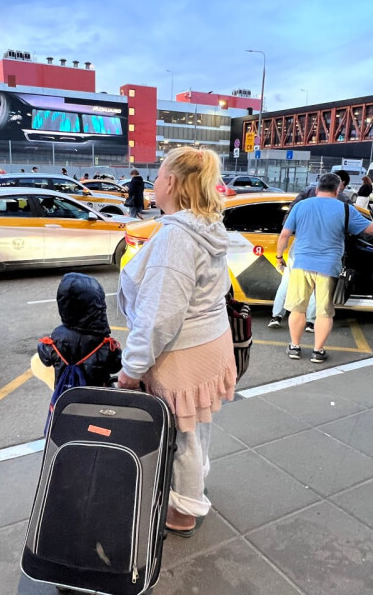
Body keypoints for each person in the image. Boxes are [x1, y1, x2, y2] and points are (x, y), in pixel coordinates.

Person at [117, 147, 236, 538]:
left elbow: (159, 315)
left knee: (179, 434)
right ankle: (196, 483)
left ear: (170, 181)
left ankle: (184, 509)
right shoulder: (206, 224)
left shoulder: (176, 237)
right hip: (209, 342)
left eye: (158, 175)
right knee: (196, 423)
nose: (154, 182)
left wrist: (132, 369)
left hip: (181, 353)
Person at [275, 173, 373, 363]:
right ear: (337, 190)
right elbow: (371, 229)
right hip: (329, 267)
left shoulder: (301, 205)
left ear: (317, 189)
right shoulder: (345, 209)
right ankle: (318, 352)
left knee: (297, 309)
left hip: (302, 264)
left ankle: (294, 347)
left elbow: (285, 234)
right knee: (324, 311)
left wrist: (279, 258)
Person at [38, 273, 123, 430]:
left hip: (67, 403)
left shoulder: (57, 338)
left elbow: (45, 356)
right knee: (98, 431)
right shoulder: (103, 343)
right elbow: (116, 365)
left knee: (69, 430)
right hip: (97, 406)